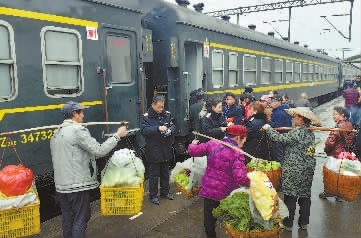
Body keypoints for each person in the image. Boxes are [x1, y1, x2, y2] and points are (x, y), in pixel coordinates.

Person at [50, 101, 128, 238]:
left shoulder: (57, 132)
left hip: (61, 185)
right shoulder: (78, 131)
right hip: (77, 185)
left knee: (68, 218)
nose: (83, 115)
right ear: (74, 114)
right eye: (81, 112)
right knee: (82, 216)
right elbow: (99, 151)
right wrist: (117, 136)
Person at [262, 107, 321, 231]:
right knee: (305, 196)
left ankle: (288, 224)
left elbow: (280, 139)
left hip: (294, 169)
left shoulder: (297, 132)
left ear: (301, 118)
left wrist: (268, 129)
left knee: (290, 196)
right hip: (307, 169)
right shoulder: (310, 132)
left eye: (295, 117)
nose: (293, 119)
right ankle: (304, 223)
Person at [187, 125, 250, 238]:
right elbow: (240, 178)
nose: (245, 142)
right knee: (231, 218)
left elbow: (193, 151)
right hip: (227, 193)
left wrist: (193, 143)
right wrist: (253, 181)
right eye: (244, 139)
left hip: (209, 190)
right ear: (237, 138)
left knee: (209, 219)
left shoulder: (213, 143)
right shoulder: (237, 153)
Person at [141, 95, 176, 205]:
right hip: (153, 150)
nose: (161, 109)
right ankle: (153, 195)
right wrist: (157, 128)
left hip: (165, 149)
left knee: (165, 173)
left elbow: (173, 125)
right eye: (159, 107)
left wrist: (170, 130)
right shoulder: (146, 117)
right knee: (154, 175)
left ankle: (165, 192)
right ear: (152, 105)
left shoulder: (167, 114)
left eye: (162, 107)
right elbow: (144, 130)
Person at [319, 106, 355, 200]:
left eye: (335, 114)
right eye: (333, 114)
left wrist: (326, 150)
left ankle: (328, 192)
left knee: (330, 175)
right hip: (345, 155)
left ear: (342, 115)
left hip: (335, 155)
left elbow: (329, 143)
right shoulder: (350, 125)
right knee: (340, 175)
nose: (333, 116)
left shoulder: (337, 128)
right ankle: (339, 195)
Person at [268, 94, 292, 164]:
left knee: (279, 157)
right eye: (271, 101)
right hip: (286, 136)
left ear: (279, 102)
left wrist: (268, 123)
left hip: (279, 137)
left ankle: (280, 172)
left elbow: (277, 126)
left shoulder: (278, 113)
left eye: (273, 101)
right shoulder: (285, 109)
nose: (271, 103)